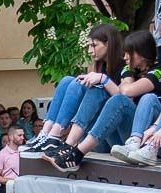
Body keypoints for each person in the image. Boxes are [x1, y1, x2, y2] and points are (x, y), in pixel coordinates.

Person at [47, 31, 161, 173]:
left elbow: (125, 93)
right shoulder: (131, 69)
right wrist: (106, 81)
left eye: (128, 53)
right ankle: (60, 140)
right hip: (114, 143)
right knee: (88, 87)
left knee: (127, 99)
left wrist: (104, 79)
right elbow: (121, 89)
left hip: (146, 141)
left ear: (141, 53)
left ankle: (77, 153)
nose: (124, 58)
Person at [31, 24, 126, 154]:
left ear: (108, 44)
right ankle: (48, 133)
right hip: (89, 135)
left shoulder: (125, 66)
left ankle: (58, 138)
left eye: (94, 45)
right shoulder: (99, 66)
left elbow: (123, 99)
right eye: (88, 46)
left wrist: (103, 80)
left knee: (96, 90)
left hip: (111, 137)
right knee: (67, 81)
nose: (89, 51)